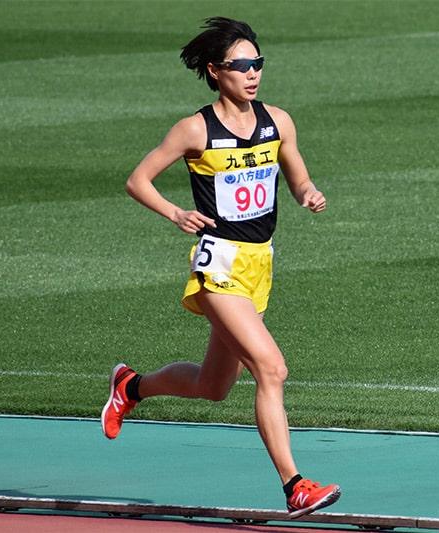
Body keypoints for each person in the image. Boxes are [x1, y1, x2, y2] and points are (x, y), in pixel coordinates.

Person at [101, 16, 340, 518]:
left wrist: (308, 193)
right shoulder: (195, 129)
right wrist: (176, 213)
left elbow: (298, 177)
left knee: (214, 387)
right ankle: (295, 485)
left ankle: (131, 386)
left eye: (258, 63)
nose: (253, 73)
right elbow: (138, 180)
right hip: (219, 266)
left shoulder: (278, 121)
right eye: (241, 65)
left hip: (259, 264)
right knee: (271, 368)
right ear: (215, 71)